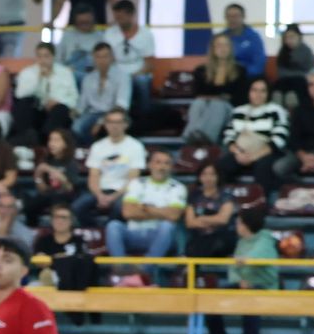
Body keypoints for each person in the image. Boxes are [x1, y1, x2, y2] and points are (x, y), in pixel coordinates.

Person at [104, 149, 187, 285]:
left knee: (167, 226)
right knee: (113, 226)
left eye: (166, 163)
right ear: (150, 165)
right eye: (158, 162)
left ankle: (144, 270)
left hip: (159, 236)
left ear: (171, 167)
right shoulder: (137, 183)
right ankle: (122, 268)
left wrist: (145, 208)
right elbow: (128, 212)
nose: (162, 167)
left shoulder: (178, 187)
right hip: (133, 233)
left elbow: (174, 215)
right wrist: (161, 211)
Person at [206, 208, 278, 334]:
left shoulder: (265, 239)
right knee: (212, 300)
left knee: (250, 297)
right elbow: (234, 267)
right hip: (242, 285)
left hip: (264, 286)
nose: (236, 226)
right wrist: (239, 280)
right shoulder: (241, 242)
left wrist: (244, 260)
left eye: (239, 223)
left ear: (247, 225)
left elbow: (256, 256)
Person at [72, 109, 145, 225]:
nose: (114, 126)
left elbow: (133, 179)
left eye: (118, 122)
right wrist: (99, 195)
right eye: (111, 122)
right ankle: (96, 232)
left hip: (124, 192)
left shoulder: (136, 146)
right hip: (100, 190)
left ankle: (110, 234)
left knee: (119, 208)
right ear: (105, 124)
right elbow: (93, 176)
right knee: (76, 207)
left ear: (126, 124)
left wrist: (113, 197)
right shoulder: (97, 146)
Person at [218, 78, 289, 195]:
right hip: (240, 151)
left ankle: (259, 203)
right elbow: (228, 136)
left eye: (262, 91)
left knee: (263, 167)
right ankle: (228, 200)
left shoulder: (276, 110)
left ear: (268, 93)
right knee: (221, 166)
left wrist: (255, 156)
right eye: (254, 90)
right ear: (249, 92)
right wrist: (238, 153)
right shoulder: (238, 111)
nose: (258, 94)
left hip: (266, 152)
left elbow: (280, 138)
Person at [11, 42, 78, 143]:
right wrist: (38, 78)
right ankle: (27, 137)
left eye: (46, 56)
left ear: (53, 56)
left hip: (56, 110)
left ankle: (49, 138)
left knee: (60, 109)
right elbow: (19, 94)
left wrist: (58, 101)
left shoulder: (65, 72)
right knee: (24, 104)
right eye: (39, 56)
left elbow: (74, 97)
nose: (42, 60)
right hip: (35, 110)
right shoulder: (27, 72)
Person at [185, 32, 243, 143]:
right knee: (198, 103)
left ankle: (207, 139)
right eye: (219, 45)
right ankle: (192, 136)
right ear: (212, 48)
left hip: (227, 109)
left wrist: (216, 97)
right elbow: (197, 93)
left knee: (217, 105)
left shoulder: (239, 70)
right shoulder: (201, 70)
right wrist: (220, 96)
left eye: (226, 45)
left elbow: (238, 97)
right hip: (205, 105)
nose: (223, 48)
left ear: (231, 48)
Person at [103, 0, 155, 115]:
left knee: (142, 82)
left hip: (139, 72)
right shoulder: (109, 33)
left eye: (120, 18)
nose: (118, 21)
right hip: (116, 72)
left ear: (131, 15)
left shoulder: (146, 34)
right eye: (116, 18)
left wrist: (132, 76)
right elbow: (108, 60)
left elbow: (150, 64)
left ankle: (144, 116)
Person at [23, 127, 82, 226]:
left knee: (57, 202)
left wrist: (55, 172)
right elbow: (43, 189)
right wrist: (38, 175)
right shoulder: (47, 161)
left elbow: (69, 188)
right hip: (49, 194)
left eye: (56, 140)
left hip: (66, 196)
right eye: (50, 140)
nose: (51, 143)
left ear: (65, 144)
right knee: (30, 206)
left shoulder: (71, 163)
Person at [183, 161, 238, 259]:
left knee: (208, 244)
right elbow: (190, 222)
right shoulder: (194, 196)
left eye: (212, 174)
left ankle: (188, 270)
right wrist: (213, 220)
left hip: (221, 237)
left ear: (218, 176)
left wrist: (202, 218)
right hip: (199, 238)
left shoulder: (226, 196)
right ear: (200, 177)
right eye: (204, 174)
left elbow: (223, 219)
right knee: (197, 243)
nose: (208, 178)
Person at [59, 4, 107, 87]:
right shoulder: (67, 36)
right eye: (81, 23)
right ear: (75, 22)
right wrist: (65, 70)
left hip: (94, 77)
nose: (84, 25)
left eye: (87, 22)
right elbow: (58, 61)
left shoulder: (101, 37)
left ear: (93, 20)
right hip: (70, 76)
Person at [273, 23, 314, 108]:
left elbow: (310, 71)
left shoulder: (306, 51)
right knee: (277, 89)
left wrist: (294, 73)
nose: (289, 40)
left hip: (301, 81)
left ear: (299, 37)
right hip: (284, 81)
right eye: (286, 38)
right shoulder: (283, 51)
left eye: (292, 37)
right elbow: (280, 72)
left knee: (297, 84)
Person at [222, 2, 267, 80]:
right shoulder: (222, 37)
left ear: (243, 17)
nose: (232, 19)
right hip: (226, 78)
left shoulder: (254, 37)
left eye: (236, 16)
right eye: (229, 16)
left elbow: (258, 64)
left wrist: (241, 73)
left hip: (248, 78)